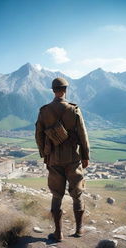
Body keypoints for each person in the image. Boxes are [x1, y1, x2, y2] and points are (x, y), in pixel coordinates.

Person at [35, 77, 90, 242]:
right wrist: (85, 156)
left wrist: (45, 155)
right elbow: (83, 135)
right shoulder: (74, 110)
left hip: (53, 159)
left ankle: (58, 233)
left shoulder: (44, 111)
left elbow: (38, 135)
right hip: (73, 158)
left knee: (56, 195)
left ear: (53, 90)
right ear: (65, 90)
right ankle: (79, 229)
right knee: (77, 193)